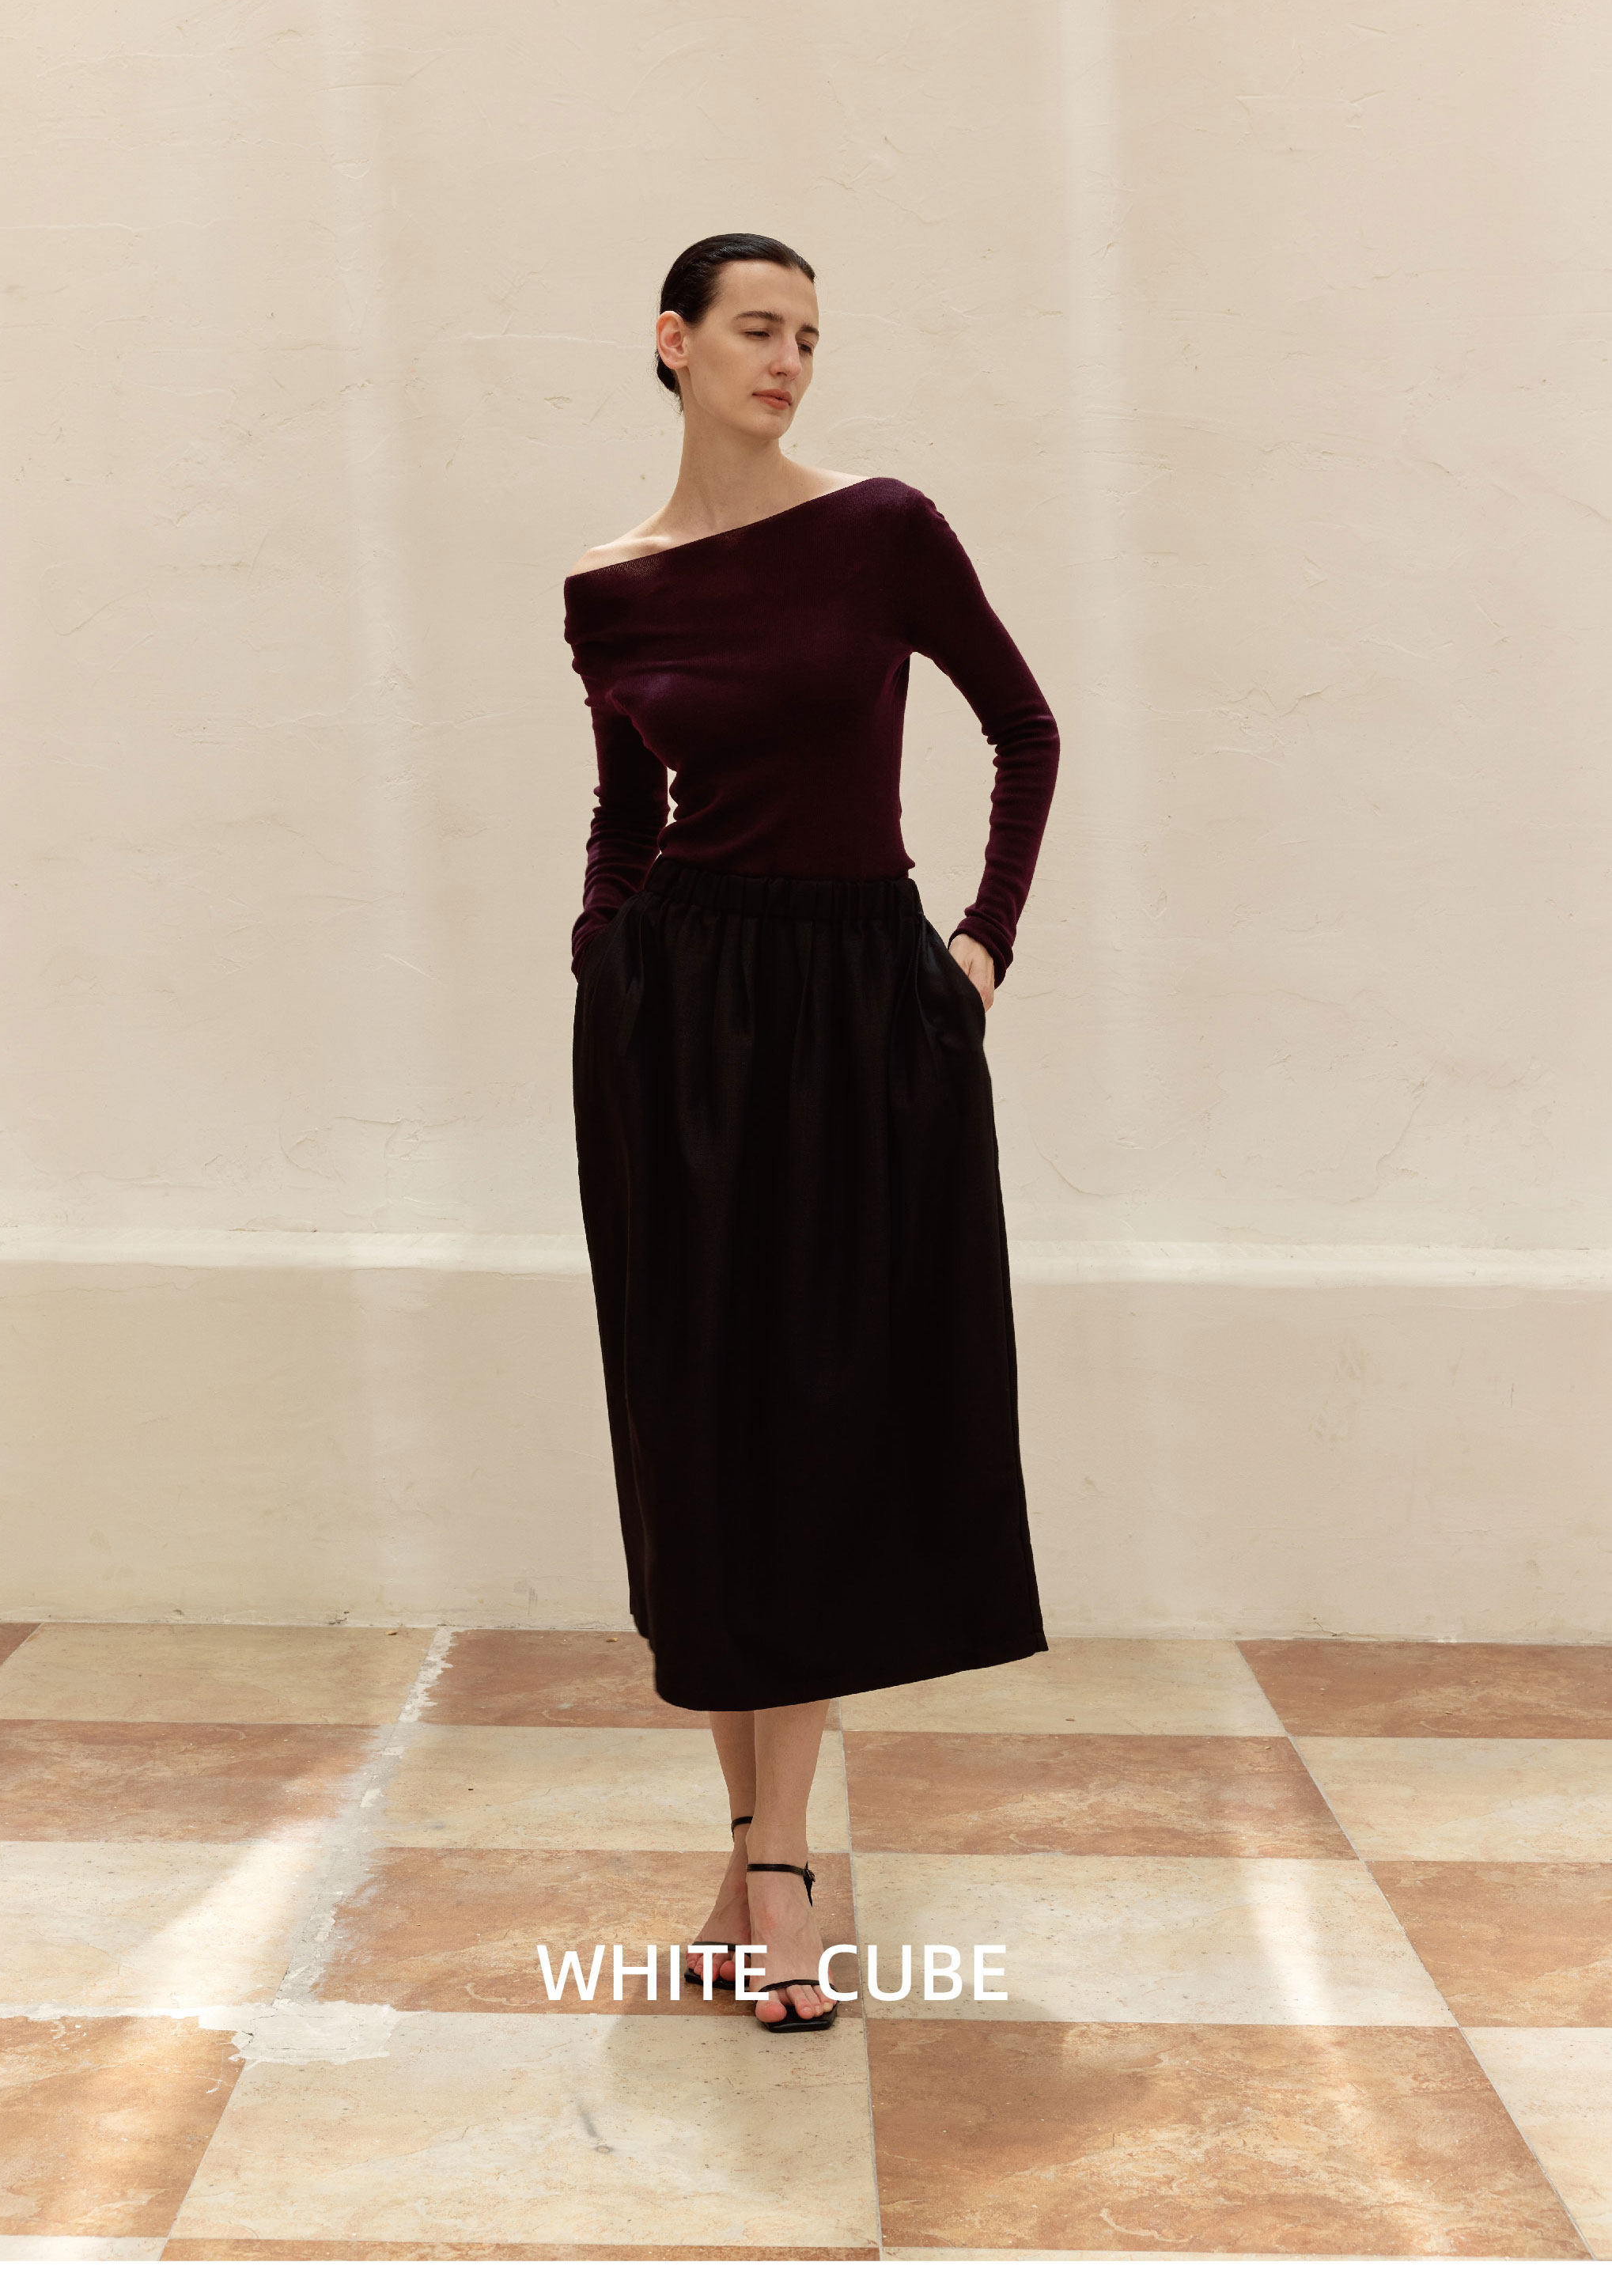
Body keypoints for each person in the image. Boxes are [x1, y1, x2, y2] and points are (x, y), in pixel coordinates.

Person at [564, 231, 1059, 2032]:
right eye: (757, 330)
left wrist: (979, 949)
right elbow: (626, 813)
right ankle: (756, 1857)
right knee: (705, 1433)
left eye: (809, 337)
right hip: (677, 1019)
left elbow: (1023, 726)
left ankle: (774, 1866)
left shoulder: (880, 530)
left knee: (824, 1423)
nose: (787, 361)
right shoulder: (609, 589)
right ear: (673, 342)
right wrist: (604, 963)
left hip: (861, 1006)